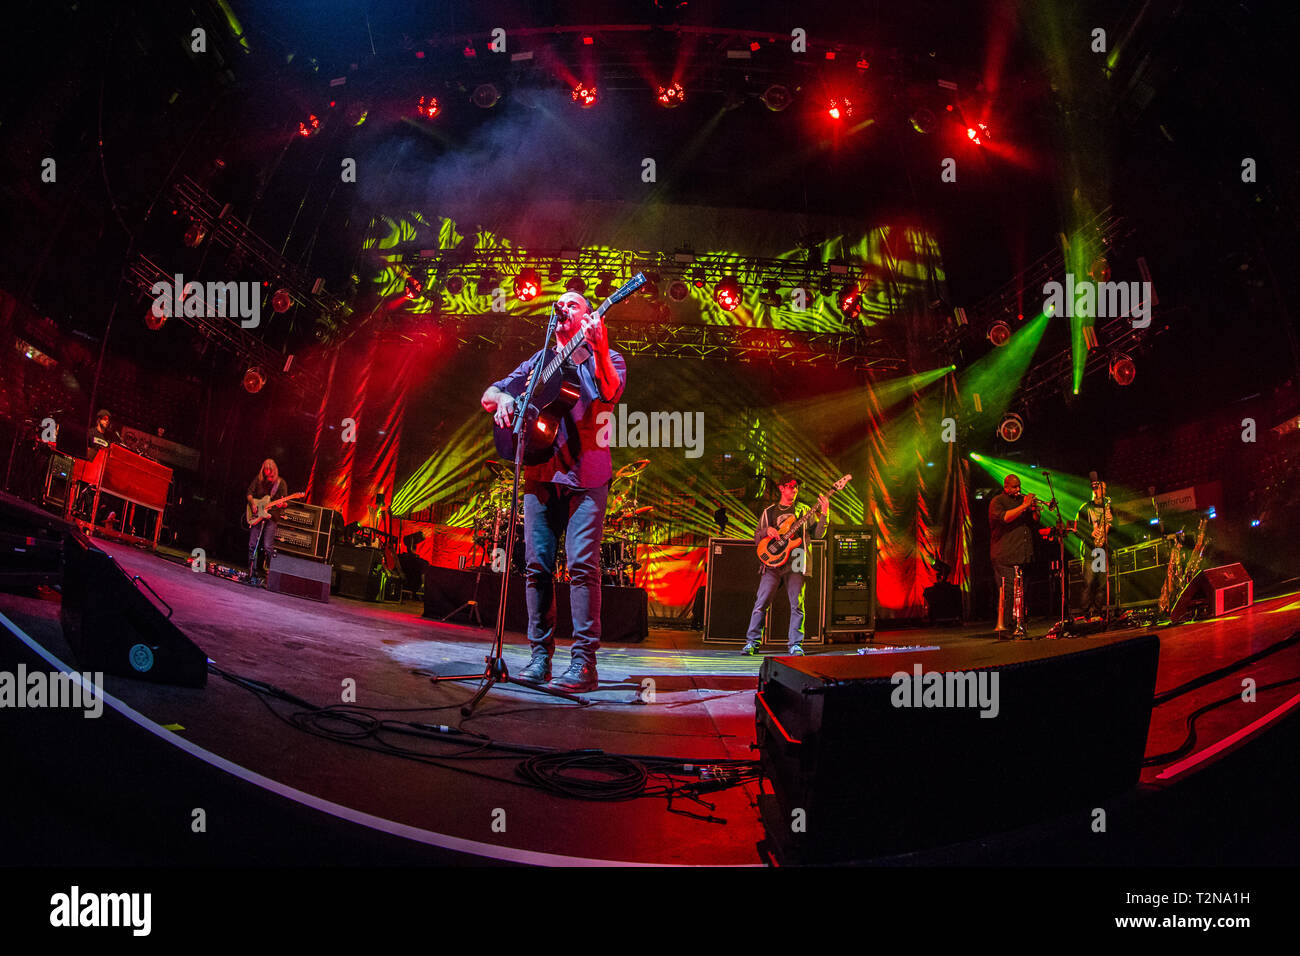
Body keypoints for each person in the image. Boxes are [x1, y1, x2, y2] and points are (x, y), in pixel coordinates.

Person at [481, 291, 626, 692]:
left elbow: (610, 392)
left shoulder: (607, 357)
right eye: (559, 303)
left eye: (574, 304)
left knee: (581, 567)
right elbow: (489, 395)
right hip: (539, 473)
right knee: (536, 567)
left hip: (586, 477)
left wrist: (600, 344)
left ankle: (584, 664)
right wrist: (507, 397)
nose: (563, 307)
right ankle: (540, 657)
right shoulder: (539, 360)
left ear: (588, 317)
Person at [741, 474, 829, 656]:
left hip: (796, 559)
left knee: (797, 604)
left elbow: (819, 535)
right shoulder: (769, 512)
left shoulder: (804, 511)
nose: (794, 489)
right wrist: (767, 530)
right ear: (781, 488)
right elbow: (757, 538)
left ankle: (795, 644)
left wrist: (825, 513)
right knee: (761, 603)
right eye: (790, 486)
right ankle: (752, 642)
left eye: (796, 487)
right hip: (772, 563)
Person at [989, 473, 1040, 639]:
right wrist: (1025, 505)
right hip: (1004, 554)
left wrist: (1034, 509)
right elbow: (1005, 518)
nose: (1018, 490)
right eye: (1014, 487)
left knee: (1023, 593)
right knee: (1008, 592)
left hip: (1022, 555)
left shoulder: (1021, 502)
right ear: (1006, 487)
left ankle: (1020, 625)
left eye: (1019, 486)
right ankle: (1004, 628)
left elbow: (1034, 521)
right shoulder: (998, 501)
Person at [1071, 476, 1113, 621]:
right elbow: (1075, 528)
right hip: (1090, 549)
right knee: (1088, 583)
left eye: (1103, 488)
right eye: (1098, 488)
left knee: (1101, 583)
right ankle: (1086, 612)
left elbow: (1112, 525)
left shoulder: (1107, 506)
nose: (1100, 491)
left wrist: (1105, 531)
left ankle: (1098, 610)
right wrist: (1090, 533)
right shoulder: (1085, 507)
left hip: (1101, 548)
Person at [246, 458, 287, 586]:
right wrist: (253, 504)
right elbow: (249, 493)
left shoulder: (281, 483)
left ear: (274, 472)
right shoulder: (259, 479)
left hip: (272, 516)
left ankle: (271, 574)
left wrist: (282, 504)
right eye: (265, 473)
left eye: (270, 474)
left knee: (268, 546)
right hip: (257, 514)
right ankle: (252, 573)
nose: (268, 476)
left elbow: (285, 502)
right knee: (253, 544)